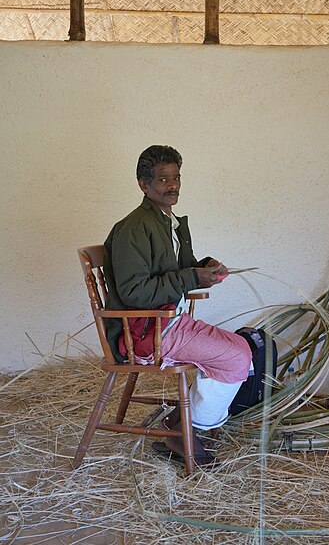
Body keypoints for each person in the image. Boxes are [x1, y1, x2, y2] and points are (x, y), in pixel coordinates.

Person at [103, 145, 251, 464]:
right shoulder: (133, 228)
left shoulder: (166, 222)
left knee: (244, 347)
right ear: (144, 185)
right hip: (145, 331)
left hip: (168, 320)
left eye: (176, 177)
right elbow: (133, 292)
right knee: (236, 357)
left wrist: (206, 266)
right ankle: (183, 427)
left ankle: (182, 422)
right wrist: (190, 278)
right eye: (163, 179)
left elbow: (178, 269)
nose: (172, 185)